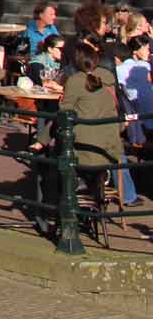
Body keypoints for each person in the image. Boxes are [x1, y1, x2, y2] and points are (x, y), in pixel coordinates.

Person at [60, 44, 132, 209]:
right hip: (111, 148)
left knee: (58, 156)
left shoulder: (75, 81)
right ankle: (94, 192)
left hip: (87, 151)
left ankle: (68, 205)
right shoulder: (107, 77)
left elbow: (65, 114)